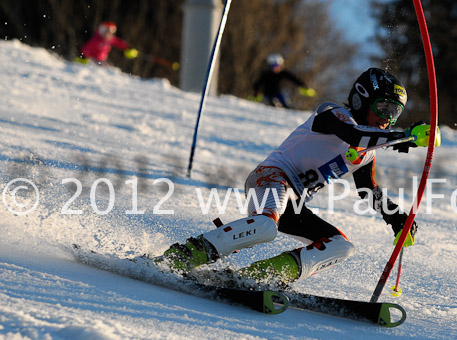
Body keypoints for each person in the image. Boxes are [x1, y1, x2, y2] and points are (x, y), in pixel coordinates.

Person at [162, 68, 440, 286]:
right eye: (383, 109)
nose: (387, 119)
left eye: (395, 113)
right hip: (271, 177)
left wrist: (396, 218)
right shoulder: (333, 114)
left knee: (342, 247)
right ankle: (184, 255)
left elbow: (369, 190)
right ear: (361, 99)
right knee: (265, 228)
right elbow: (355, 135)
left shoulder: (369, 150)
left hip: (294, 202)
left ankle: (260, 276)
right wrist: (404, 136)